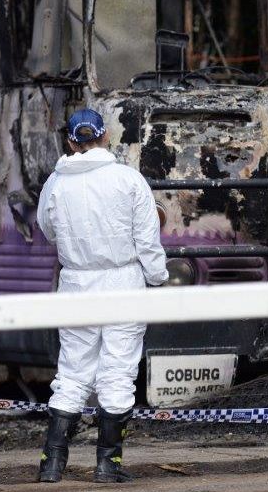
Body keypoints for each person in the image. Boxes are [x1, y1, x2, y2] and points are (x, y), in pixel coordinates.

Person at [35, 108, 168, 484]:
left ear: (70, 141)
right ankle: (107, 465)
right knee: (118, 371)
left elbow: (47, 229)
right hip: (124, 283)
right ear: (106, 136)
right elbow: (147, 239)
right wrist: (157, 278)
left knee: (72, 372)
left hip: (76, 282)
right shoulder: (129, 180)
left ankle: (52, 464)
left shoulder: (56, 184)